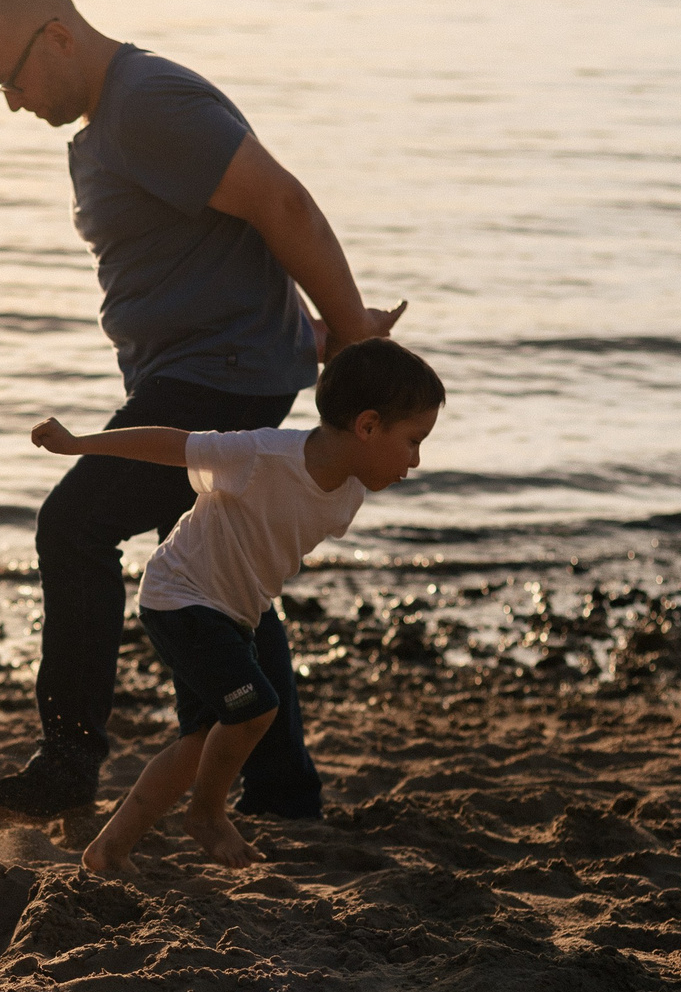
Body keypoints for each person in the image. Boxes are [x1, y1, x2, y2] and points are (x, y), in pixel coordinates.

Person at [0, 0, 406, 821]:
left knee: (75, 526)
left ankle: (69, 761)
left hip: (219, 379)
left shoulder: (148, 104)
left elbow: (283, 205)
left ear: (56, 36)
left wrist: (353, 336)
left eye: (12, 81)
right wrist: (306, 336)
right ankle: (281, 787)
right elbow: (220, 258)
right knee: (211, 571)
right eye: (0, 91)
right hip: (221, 367)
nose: (14, 105)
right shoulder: (117, 119)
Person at [26, 338, 445, 875]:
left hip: (232, 613)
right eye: (413, 441)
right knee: (255, 709)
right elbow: (172, 445)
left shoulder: (348, 495)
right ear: (367, 426)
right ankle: (207, 816)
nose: (416, 459)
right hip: (181, 596)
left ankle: (108, 850)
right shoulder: (260, 455)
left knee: (201, 743)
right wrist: (78, 443)